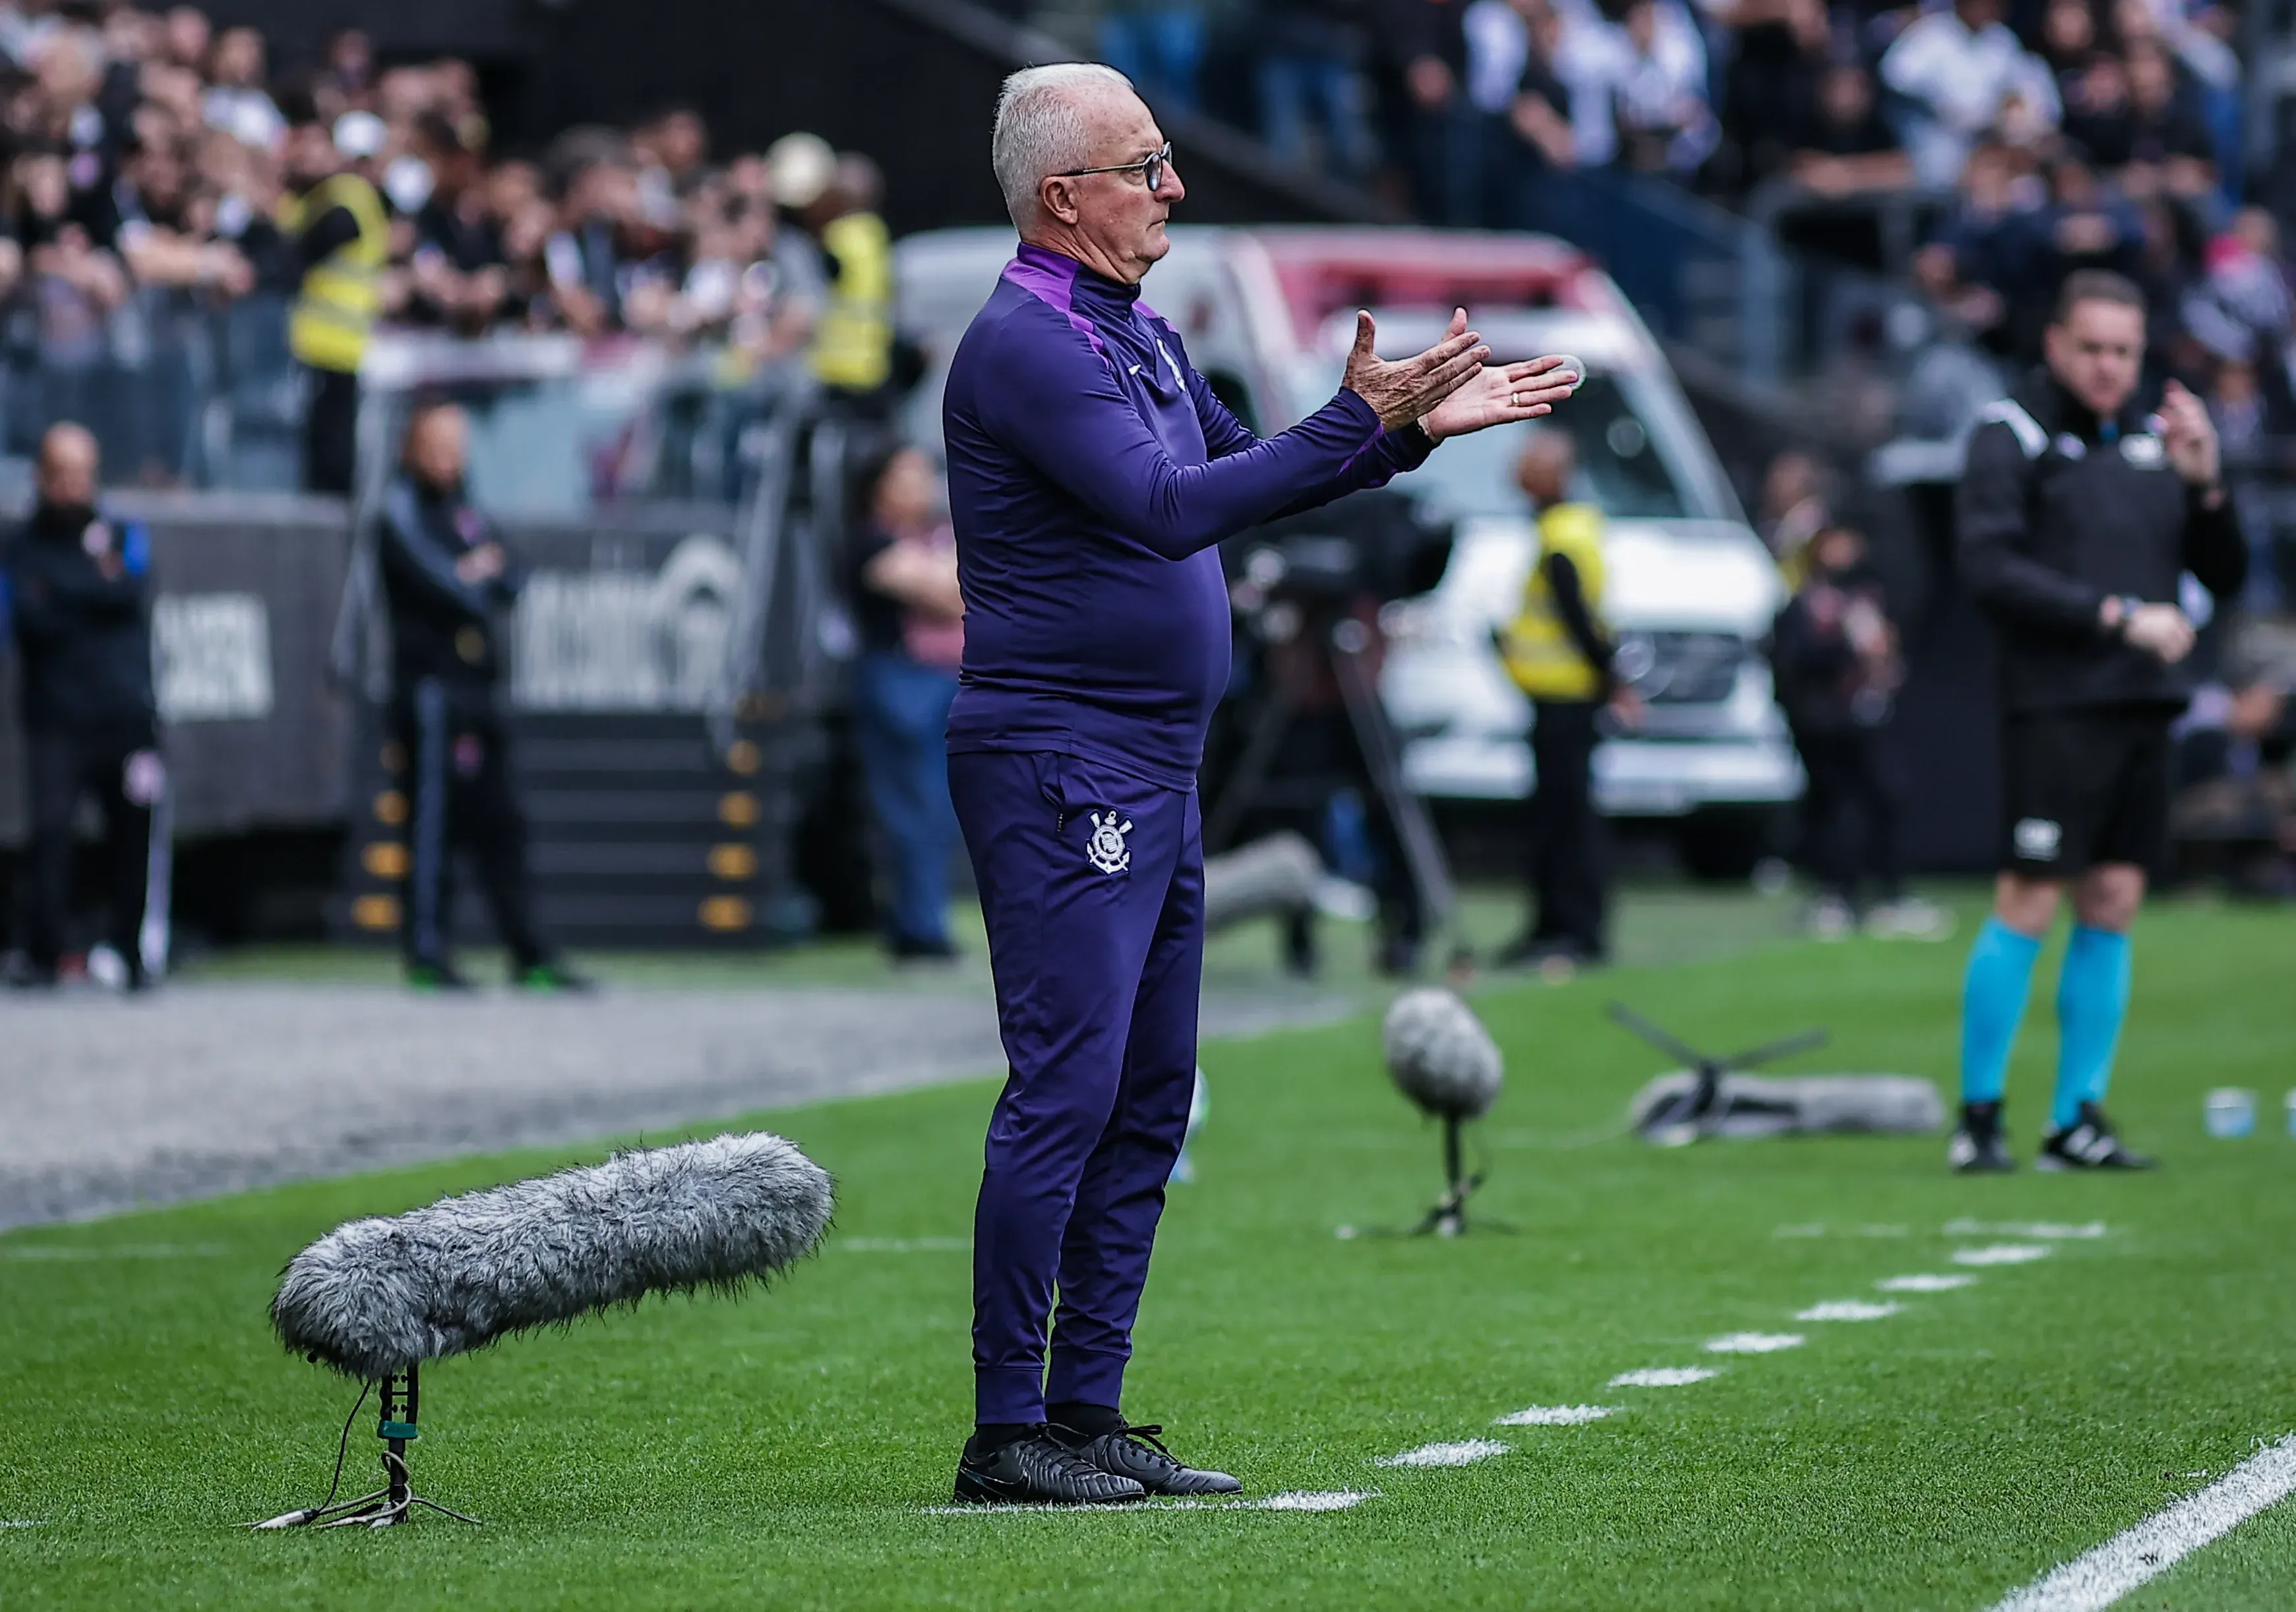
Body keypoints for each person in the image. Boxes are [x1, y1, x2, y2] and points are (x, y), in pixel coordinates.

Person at [942, 61, 1577, 1506]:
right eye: (1144, 164)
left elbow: (1248, 471)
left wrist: (1401, 430)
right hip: (1063, 760)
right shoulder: (1028, 342)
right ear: (1063, 197)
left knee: (1150, 1094)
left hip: (1151, 760)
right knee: (1070, 1089)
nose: (1173, 186)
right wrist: (1354, 429)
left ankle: (1087, 1407)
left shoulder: (1135, 329)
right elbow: (1174, 511)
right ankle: (1004, 1428)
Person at [1949, 269, 2245, 1173]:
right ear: (2054, 345)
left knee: (2113, 901)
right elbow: (1988, 569)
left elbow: (2223, 573)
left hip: (2141, 703)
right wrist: (2115, 615)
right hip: (2054, 701)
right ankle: (1979, 1118)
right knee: (2030, 896)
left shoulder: (2163, 446)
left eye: (2125, 351)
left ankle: (2075, 1116)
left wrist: (2205, 486)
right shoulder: (2011, 435)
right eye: (2093, 349)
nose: (2111, 367)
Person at [377, 400, 586, 993]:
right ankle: (426, 951)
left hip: (478, 688)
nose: (450, 458)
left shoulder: (466, 511)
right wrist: (477, 574)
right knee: (433, 825)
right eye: (439, 445)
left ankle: (529, 952)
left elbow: (512, 575)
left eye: (458, 445)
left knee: (503, 824)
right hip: (430, 692)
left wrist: (482, 572)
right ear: (413, 447)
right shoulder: (399, 512)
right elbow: (450, 587)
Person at [2, 425, 167, 990]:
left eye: (83, 472)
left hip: (126, 711)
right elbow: (30, 617)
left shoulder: (124, 530)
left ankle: (130, 952)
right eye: (62, 473)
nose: (75, 485)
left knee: (133, 835)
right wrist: (91, 588)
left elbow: (129, 593)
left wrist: (64, 588)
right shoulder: (20, 544)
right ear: (42, 476)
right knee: (49, 834)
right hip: (56, 718)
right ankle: (44, 952)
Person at [1495, 431, 1639, 967]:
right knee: (1558, 819)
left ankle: (1575, 930)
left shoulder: (1560, 540)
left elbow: (1580, 624)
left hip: (1566, 701)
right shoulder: (1573, 528)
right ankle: (1554, 926)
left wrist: (1613, 685)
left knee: (1568, 821)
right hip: (1558, 699)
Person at [1769, 522, 1941, 940]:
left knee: (1887, 800)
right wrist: (1845, 647)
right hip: (1825, 724)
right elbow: (1794, 666)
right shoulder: (1804, 606)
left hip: (1869, 717)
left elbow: (1891, 654)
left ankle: (1889, 896)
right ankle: (1835, 897)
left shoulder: (1871, 598)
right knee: (1833, 810)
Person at [847, 444, 966, 961]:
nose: (922, 485)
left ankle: (920, 918)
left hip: (947, 681)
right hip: (900, 682)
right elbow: (956, 593)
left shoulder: (933, 535)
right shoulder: (870, 542)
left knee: (938, 811)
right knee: (911, 809)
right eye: (909, 475)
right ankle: (920, 927)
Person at [281, 107, 388, 494]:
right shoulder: (329, 197)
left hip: (328, 342)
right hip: (332, 343)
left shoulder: (345, 199)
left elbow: (297, 255)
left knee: (329, 444)